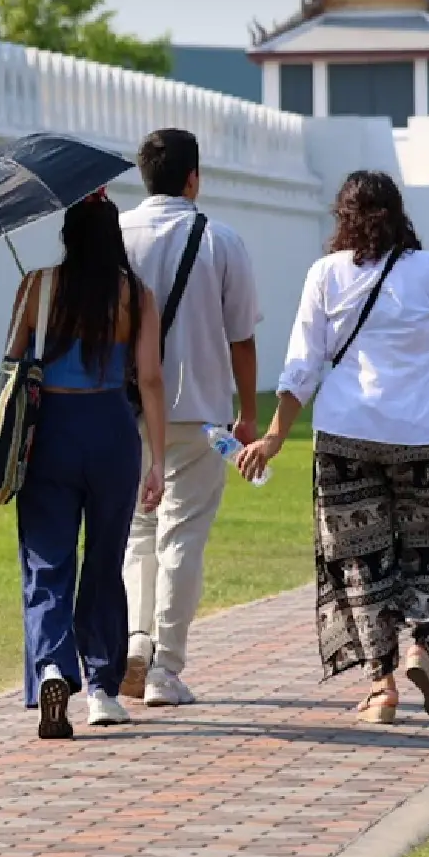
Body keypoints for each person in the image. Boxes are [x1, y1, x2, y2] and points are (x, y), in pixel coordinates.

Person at [235, 170, 429, 725]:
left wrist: (275, 435)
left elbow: (302, 366)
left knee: (359, 562)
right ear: (400, 215)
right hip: (421, 437)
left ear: (343, 218)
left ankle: (381, 687)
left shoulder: (326, 274)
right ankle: (423, 648)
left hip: (345, 437)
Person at [11, 192, 168, 739]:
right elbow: (150, 379)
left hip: (50, 431)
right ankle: (103, 689)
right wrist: (158, 461)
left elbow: (12, 364)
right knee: (105, 560)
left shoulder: (37, 285)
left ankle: (52, 667)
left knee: (47, 559)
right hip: (111, 429)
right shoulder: (136, 295)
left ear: (68, 236)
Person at [118, 129, 261, 708]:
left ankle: (136, 638)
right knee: (182, 536)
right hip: (201, 413)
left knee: (137, 531)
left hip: (127, 408)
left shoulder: (117, 235)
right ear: (193, 179)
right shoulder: (220, 240)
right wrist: (249, 413)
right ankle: (165, 670)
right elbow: (242, 337)